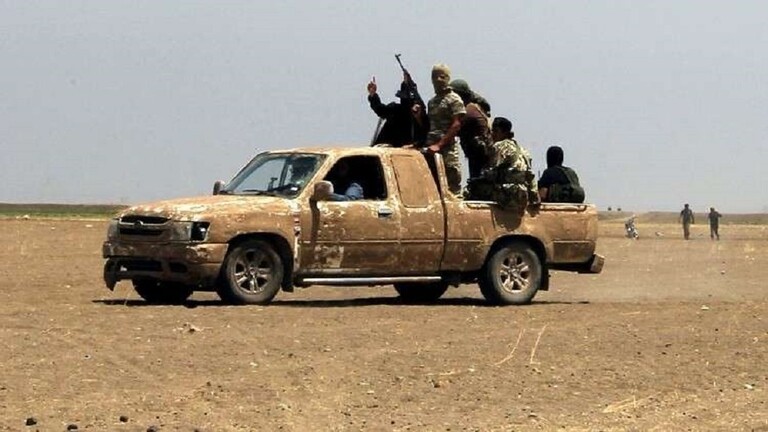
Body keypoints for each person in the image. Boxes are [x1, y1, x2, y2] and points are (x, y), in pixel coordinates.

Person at [465, 117, 537, 210]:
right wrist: (534, 196)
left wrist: (478, 179)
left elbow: (492, 172)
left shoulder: (499, 146)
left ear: (505, 133)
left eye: (496, 131)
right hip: (522, 196)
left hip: (507, 195)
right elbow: (530, 175)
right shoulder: (522, 150)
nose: (492, 134)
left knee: (471, 189)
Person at [426, 64, 466, 195]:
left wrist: (440, 144)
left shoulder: (454, 99)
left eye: (442, 77)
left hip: (447, 149)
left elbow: (456, 124)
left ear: (448, 78)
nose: (438, 80)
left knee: (452, 186)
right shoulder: (432, 102)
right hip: (431, 148)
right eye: (435, 77)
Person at [367, 73, 429, 147]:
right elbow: (380, 109)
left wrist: (418, 117)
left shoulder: (419, 115)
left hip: (410, 149)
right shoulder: (395, 109)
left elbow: (425, 131)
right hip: (387, 146)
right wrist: (373, 95)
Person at [449, 79, 492, 179]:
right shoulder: (471, 108)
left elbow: (453, 128)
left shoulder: (469, 110)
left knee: (478, 182)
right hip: (476, 154)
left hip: (481, 155)